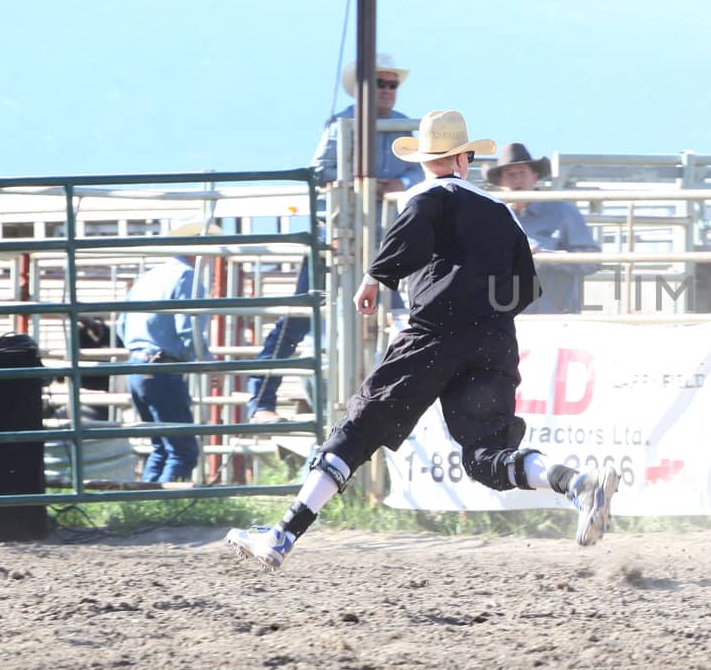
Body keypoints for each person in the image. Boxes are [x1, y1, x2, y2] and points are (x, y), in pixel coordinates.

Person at [226, 111, 620, 570]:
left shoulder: (425, 196)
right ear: (465, 158)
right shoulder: (502, 214)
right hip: (493, 340)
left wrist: (374, 277)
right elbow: (525, 287)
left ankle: (283, 534)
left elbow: (408, 238)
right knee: (487, 452)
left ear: (426, 159)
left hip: (433, 332)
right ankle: (576, 483)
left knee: (357, 429)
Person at [245, 52, 422, 424]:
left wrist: (399, 183)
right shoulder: (342, 124)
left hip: (385, 241)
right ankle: (261, 400)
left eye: (393, 85)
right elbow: (320, 171)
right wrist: (359, 184)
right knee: (300, 318)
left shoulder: (404, 127)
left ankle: (387, 403)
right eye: (381, 84)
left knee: (395, 320)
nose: (389, 91)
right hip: (342, 237)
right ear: (364, 89)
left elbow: (419, 172)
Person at [118, 219, 218, 484]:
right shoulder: (187, 276)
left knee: (162, 448)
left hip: (136, 366)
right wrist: (206, 362)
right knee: (183, 451)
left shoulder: (150, 276)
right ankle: (166, 507)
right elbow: (189, 327)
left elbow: (121, 324)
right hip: (163, 368)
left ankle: (145, 504)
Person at [486, 142, 600, 314]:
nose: (517, 179)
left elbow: (592, 262)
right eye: (510, 174)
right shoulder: (491, 220)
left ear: (535, 176)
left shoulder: (564, 212)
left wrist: (548, 257)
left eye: (522, 172)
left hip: (555, 319)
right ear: (501, 182)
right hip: (506, 321)